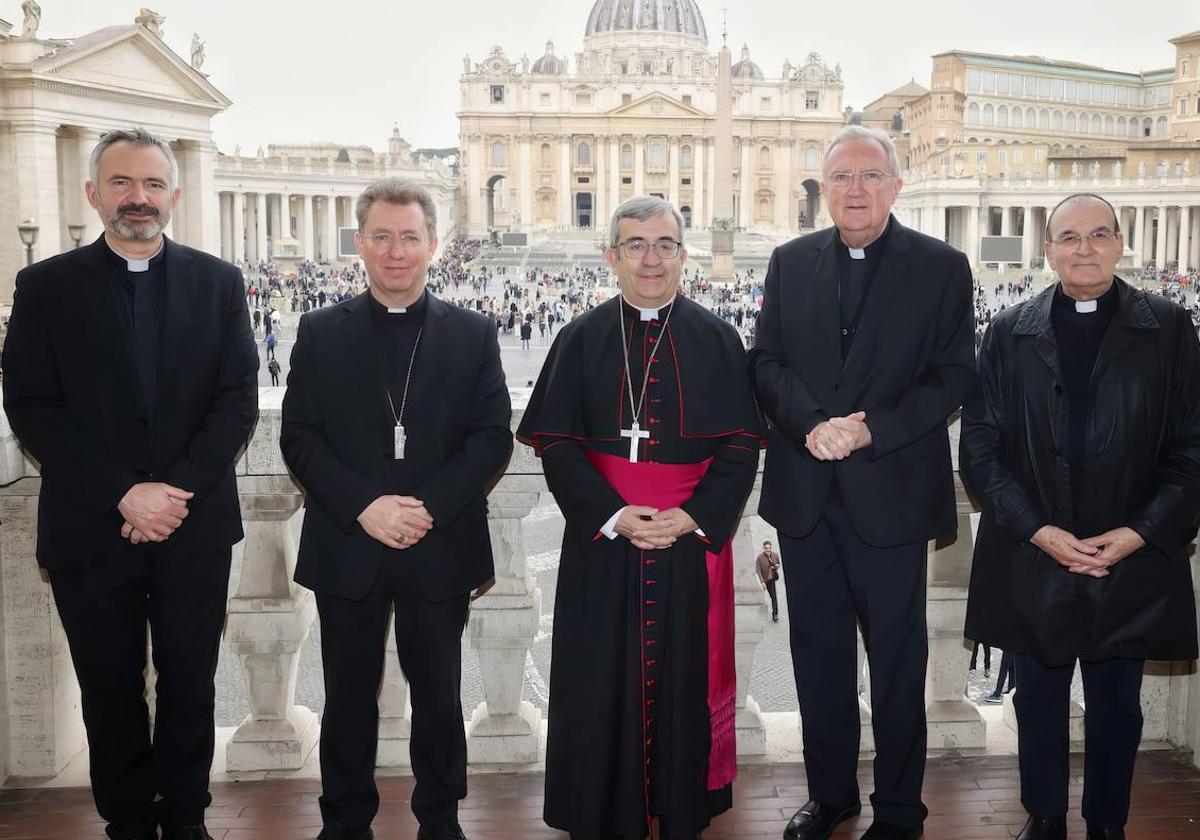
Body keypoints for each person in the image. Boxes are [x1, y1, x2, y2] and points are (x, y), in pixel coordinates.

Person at [1, 127, 258, 840]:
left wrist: (170, 494)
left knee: (189, 684)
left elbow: (237, 399)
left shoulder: (219, 282)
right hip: (91, 526)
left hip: (192, 524)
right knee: (108, 689)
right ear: (93, 194)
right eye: (121, 183)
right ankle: (123, 821)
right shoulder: (44, 286)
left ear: (173, 196)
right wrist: (124, 492)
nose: (136, 198)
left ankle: (185, 817)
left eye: (150, 185)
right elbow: (31, 406)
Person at [749, 125, 976, 840]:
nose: (854, 189)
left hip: (894, 495)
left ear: (895, 186)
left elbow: (954, 377)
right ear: (822, 188)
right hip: (807, 497)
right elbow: (766, 363)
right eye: (841, 177)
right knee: (816, 659)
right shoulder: (788, 262)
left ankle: (902, 809)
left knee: (898, 665)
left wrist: (868, 427)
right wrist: (813, 424)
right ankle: (832, 796)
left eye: (870, 176)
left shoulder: (943, 266)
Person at [517, 196, 763, 839]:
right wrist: (613, 513)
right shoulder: (579, 337)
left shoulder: (717, 337)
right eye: (635, 245)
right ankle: (601, 808)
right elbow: (558, 443)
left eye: (664, 245)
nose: (650, 259)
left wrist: (692, 516)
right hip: (604, 539)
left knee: (685, 675)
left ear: (684, 255)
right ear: (612, 256)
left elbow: (740, 444)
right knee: (599, 677)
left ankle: (682, 803)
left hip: (687, 539)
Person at [961, 193, 1200, 840]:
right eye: (1069, 237)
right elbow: (979, 450)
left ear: (1121, 243)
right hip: (1036, 548)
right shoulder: (1009, 331)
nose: (1084, 248)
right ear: (1049, 250)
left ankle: (1107, 824)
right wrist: (1040, 531)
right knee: (1037, 697)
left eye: (1098, 235)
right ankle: (1043, 816)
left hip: (1130, 550)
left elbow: (1193, 446)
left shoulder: (1171, 329)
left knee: (1117, 703)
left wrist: (1139, 532)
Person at [281, 178, 512, 840]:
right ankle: (345, 822)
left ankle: (440, 818)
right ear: (360, 244)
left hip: (438, 542)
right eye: (380, 237)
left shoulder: (472, 333)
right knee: (347, 696)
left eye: (409, 237)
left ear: (433, 244)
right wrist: (366, 508)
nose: (395, 251)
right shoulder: (321, 331)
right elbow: (298, 435)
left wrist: (424, 509)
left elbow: (490, 437)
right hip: (348, 541)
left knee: (440, 695)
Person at [755, 540, 781, 622]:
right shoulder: (759, 558)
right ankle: (758, 612)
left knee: (773, 597)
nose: (768, 550)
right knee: (759, 596)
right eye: (766, 548)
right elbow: (758, 570)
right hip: (763, 579)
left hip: (771, 579)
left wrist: (777, 566)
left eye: (769, 548)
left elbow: (779, 564)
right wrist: (762, 582)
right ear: (763, 548)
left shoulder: (775, 555)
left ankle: (775, 614)